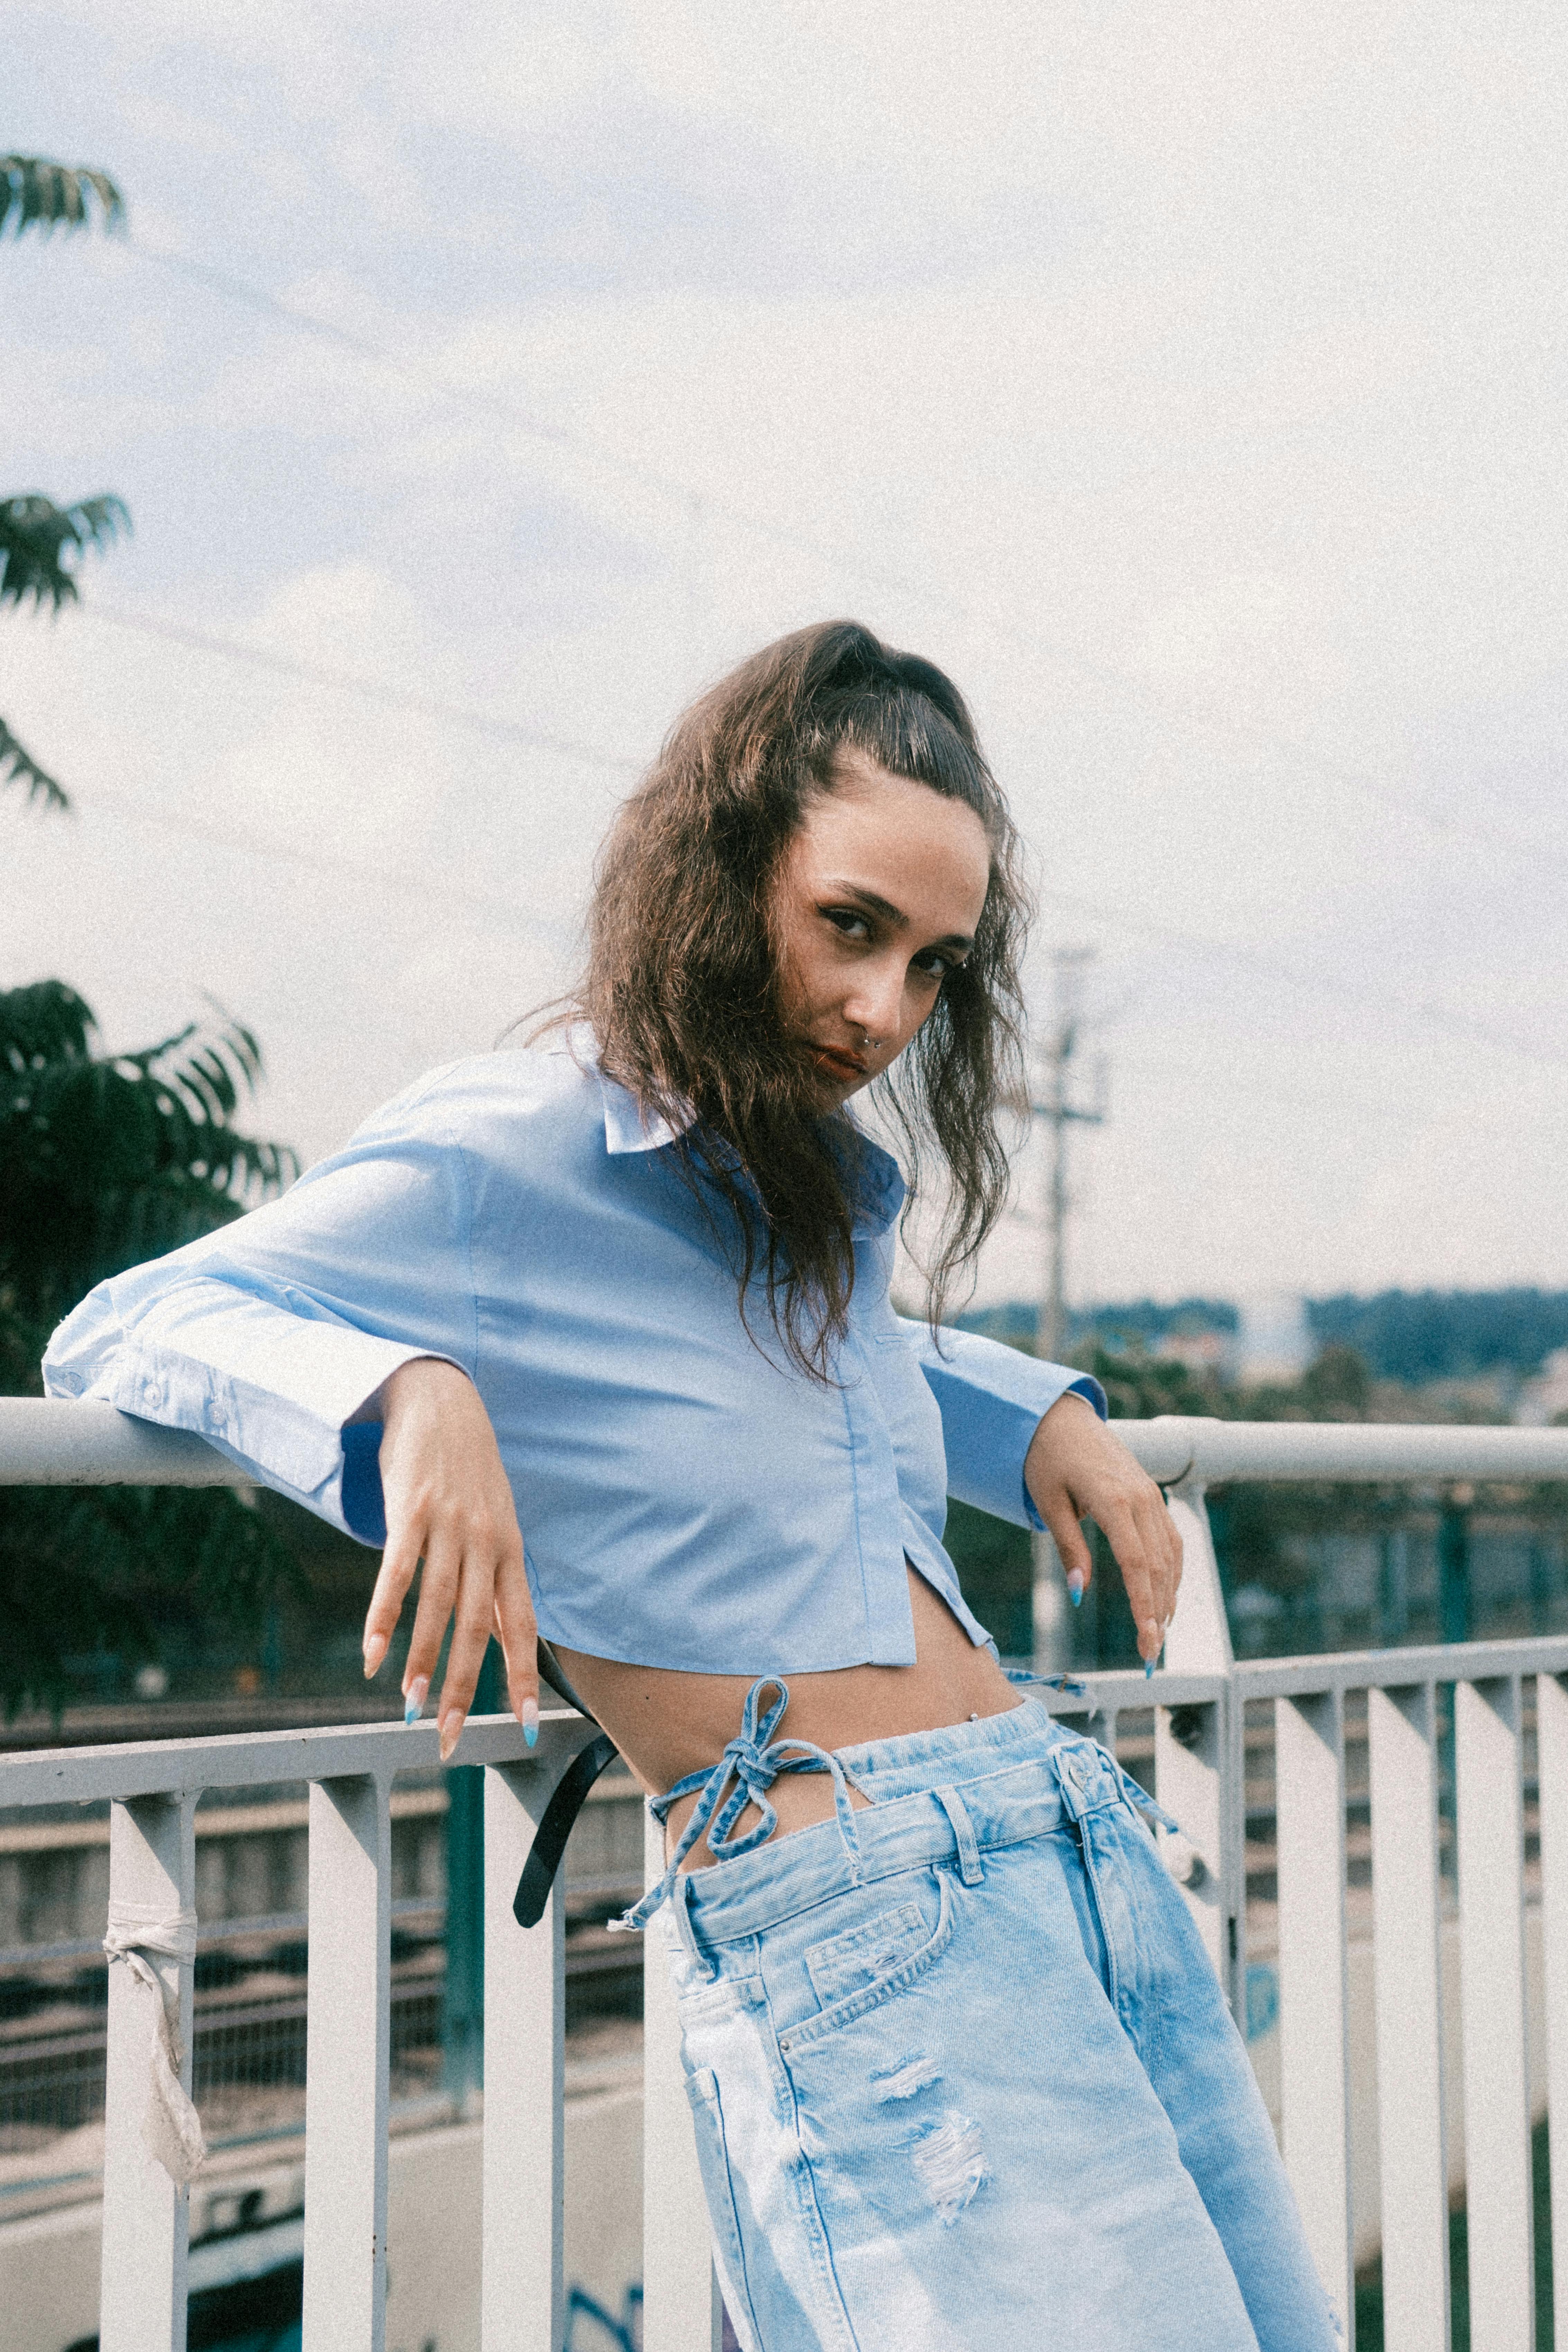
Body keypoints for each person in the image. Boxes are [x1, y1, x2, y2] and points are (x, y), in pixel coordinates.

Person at [45, 622, 1337, 2351]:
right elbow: (130, 1319)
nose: (889, 1011)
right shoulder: (512, 1147)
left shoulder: (795, 1187)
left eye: (937, 964)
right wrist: (405, 1389)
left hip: (1059, 1836)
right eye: (851, 927)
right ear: (723, 875)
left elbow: (825, 1378)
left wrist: (1041, 1417)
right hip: (861, 1921)